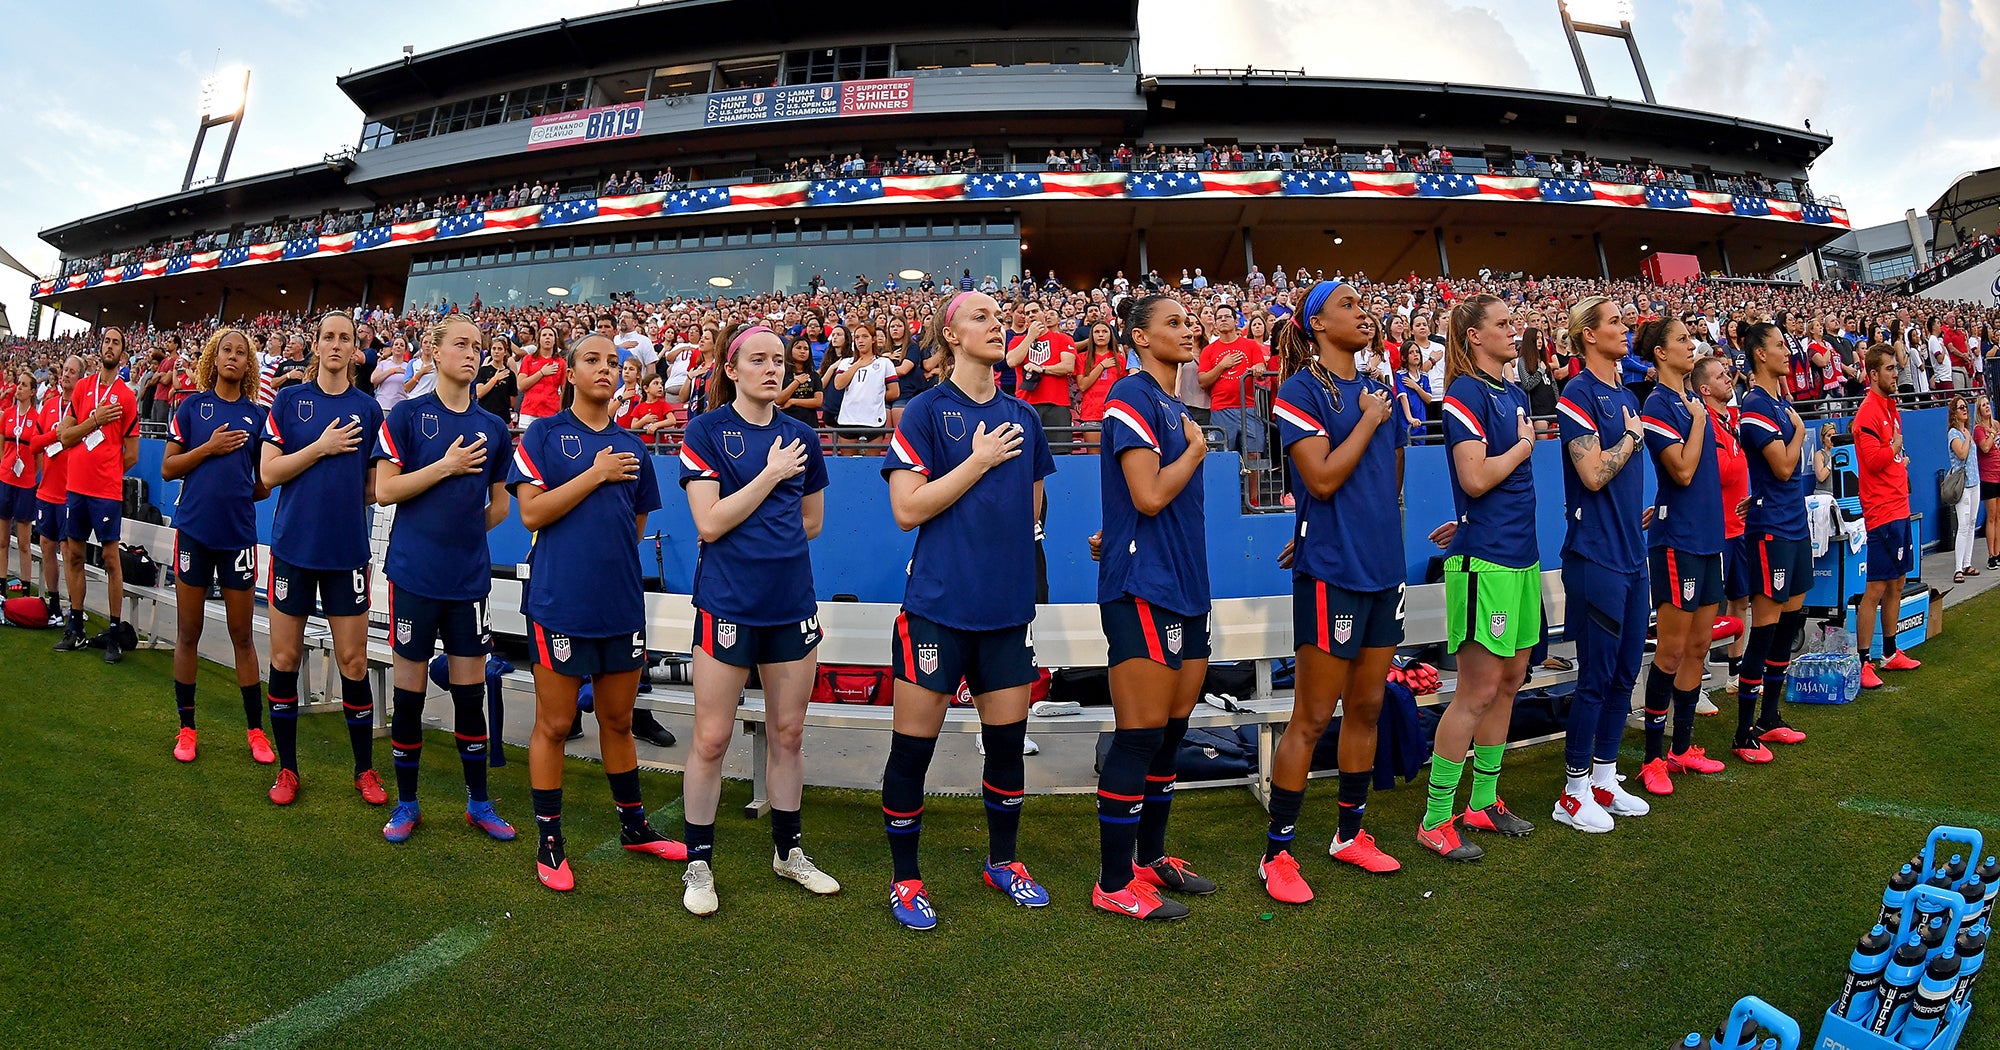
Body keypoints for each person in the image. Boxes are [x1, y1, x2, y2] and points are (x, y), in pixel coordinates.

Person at [879, 290, 1057, 931]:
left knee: (1006, 748)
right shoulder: (924, 411)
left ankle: (1003, 863)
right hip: (936, 609)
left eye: (998, 316)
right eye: (979, 316)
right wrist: (979, 463)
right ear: (949, 335)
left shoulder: (1025, 417)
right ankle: (906, 880)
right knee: (912, 752)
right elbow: (907, 509)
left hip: (1005, 612)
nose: (996, 323)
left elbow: (1034, 510)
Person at [509, 333, 685, 892]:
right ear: (569, 371)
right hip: (559, 603)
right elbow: (532, 514)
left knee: (616, 720)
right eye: (592, 360)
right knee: (556, 724)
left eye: (614, 362)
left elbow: (632, 530)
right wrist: (595, 473)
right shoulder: (544, 434)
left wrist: (609, 473)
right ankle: (550, 840)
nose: (605, 369)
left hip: (619, 605)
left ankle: (634, 827)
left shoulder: (632, 445)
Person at [677, 322, 840, 917]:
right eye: (760, 359)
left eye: (780, 359)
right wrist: (769, 476)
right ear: (732, 369)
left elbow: (813, 522)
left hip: (790, 603)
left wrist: (768, 541)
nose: (773, 368)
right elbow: (709, 523)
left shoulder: (802, 435)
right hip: (727, 604)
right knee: (713, 737)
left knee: (789, 733)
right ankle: (699, 863)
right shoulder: (707, 431)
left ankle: (788, 851)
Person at [1260, 280, 1408, 898]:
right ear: (1316, 324)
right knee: (1313, 715)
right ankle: (1278, 854)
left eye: (1363, 303)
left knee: (1368, 708)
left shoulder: (1383, 391)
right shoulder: (1300, 389)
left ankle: (1349, 835)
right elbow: (1319, 480)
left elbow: (1389, 478)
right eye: (1346, 305)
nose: (1363, 311)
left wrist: (1379, 416)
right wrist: (1370, 420)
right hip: (1332, 572)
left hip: (1382, 566)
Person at [1088, 293, 1215, 922]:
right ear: (1138, 338)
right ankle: (1113, 881)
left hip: (1187, 587)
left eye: (1188, 321)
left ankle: (1149, 858)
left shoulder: (1175, 406)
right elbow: (1148, 495)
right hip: (1144, 588)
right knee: (1138, 737)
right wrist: (1193, 453)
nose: (1187, 330)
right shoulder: (1131, 397)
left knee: (1170, 733)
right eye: (1172, 322)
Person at [372, 316, 517, 844]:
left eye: (478, 346)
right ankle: (406, 804)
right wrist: (447, 467)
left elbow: (501, 505)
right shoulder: (408, 415)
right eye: (460, 343)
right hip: (413, 574)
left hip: (468, 579)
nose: (472, 352)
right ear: (433, 353)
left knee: (469, 693)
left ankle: (479, 802)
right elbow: (386, 489)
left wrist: (461, 531)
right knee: (409, 695)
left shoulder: (494, 428)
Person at [1424, 293, 1539, 859]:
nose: (1513, 331)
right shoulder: (1465, 392)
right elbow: (1474, 478)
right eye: (1502, 324)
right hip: (1486, 561)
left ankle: (1484, 800)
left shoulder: (1512, 392)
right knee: (1477, 690)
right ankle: (1435, 817)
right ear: (1473, 336)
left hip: (1522, 557)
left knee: (1511, 681)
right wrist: (1521, 447)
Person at [258, 311, 385, 807]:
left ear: (355, 349)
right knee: (285, 658)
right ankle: (287, 770)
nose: (335, 344)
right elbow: (269, 472)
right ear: (315, 344)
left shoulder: (369, 409)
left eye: (344, 338)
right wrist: (321, 447)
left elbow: (377, 487)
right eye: (327, 336)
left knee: (353, 661)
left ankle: (364, 771)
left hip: (346, 552)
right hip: (294, 549)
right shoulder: (290, 400)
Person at [1548, 297, 1651, 832]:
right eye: (1614, 321)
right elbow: (1592, 473)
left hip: (1633, 555)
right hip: (1595, 556)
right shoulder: (1578, 394)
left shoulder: (1626, 393)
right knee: (1596, 674)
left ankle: (1605, 777)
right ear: (1587, 334)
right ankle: (1572, 789)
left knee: (1626, 670)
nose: (1624, 328)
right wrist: (1633, 438)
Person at [159, 329, 273, 766]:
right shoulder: (192, 407)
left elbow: (264, 482)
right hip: (194, 533)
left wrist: (243, 489)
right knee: (189, 632)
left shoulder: (257, 417)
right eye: (226, 349)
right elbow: (169, 467)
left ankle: (256, 731)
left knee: (242, 636)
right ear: (215, 356)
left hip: (239, 538)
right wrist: (208, 449)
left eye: (241, 352)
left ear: (248, 365)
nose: (233, 356)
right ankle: (187, 729)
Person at [1634, 318, 1729, 795]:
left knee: (1698, 647)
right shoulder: (1658, 404)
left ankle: (1682, 749)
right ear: (1659, 354)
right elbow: (1683, 471)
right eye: (1680, 340)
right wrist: (1697, 422)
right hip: (1679, 541)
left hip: (1709, 538)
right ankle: (1651, 759)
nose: (1690, 345)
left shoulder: (1690, 403)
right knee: (1671, 650)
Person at [1733, 322, 1812, 758]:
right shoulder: (1756, 405)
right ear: (1760, 354)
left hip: (1794, 522)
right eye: (1780, 345)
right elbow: (1782, 467)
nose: (1788, 352)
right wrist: (1799, 432)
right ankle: (1744, 731)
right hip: (1772, 529)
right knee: (1764, 629)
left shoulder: (1779, 403)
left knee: (1790, 623)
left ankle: (1770, 718)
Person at [54, 327, 140, 662]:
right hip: (76, 487)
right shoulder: (83, 388)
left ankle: (115, 633)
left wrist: (106, 474)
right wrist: (94, 421)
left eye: (116, 342)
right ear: (99, 347)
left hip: (105, 491)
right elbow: (65, 436)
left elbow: (131, 453)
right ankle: (75, 626)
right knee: (74, 555)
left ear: (122, 353)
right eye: (106, 340)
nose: (109, 346)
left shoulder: (128, 396)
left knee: (110, 559)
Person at [1852, 344, 1922, 689]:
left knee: (1897, 581)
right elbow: (1875, 460)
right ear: (1873, 374)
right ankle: (1864, 660)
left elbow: (1891, 455)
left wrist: (1899, 457)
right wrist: (1894, 450)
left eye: (1897, 368)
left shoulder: (1891, 407)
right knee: (1876, 587)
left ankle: (1891, 652)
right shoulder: (1867, 413)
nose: (1897, 374)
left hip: (1898, 505)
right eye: (1890, 369)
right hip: (1881, 511)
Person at [1698, 356, 1748, 715]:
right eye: (1719, 376)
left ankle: (1735, 673)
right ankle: (1695, 682)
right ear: (1705, 389)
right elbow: (1725, 473)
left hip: (1740, 527)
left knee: (1740, 601)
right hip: (1716, 530)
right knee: (1705, 612)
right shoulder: (1707, 424)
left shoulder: (1731, 421)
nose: (1728, 378)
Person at [32, 356, 80, 627]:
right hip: (46, 490)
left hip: (70, 492)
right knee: (47, 546)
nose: (66, 376)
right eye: (65, 371)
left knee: (71, 551)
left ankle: (74, 609)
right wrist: (56, 435)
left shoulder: (83, 409)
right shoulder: (49, 405)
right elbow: (34, 445)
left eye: (73, 372)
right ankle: (53, 604)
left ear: (80, 377)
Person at [1197, 307, 1272, 459]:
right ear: (1215, 324)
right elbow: (1203, 381)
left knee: (1254, 456)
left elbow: (1261, 369)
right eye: (1219, 318)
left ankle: (1252, 484)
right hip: (1220, 409)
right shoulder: (1208, 350)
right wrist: (1222, 365)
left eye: (1227, 316)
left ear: (1236, 321)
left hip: (1249, 407)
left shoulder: (1251, 345)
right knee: (1222, 456)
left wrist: (1259, 368)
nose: (1223, 320)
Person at [1005, 300, 1078, 447]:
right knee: (1027, 451)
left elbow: (1068, 366)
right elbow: (1012, 361)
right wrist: (1030, 336)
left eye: (1035, 311)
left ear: (1044, 313)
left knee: (1060, 452)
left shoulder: (1063, 338)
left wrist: (1042, 368)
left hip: (1057, 405)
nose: (1031, 315)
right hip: (1027, 404)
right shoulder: (1017, 340)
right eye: (1027, 313)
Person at [1, 371, 43, 595]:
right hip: (5, 479)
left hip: (26, 483)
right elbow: (2, 446)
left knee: (24, 542)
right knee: (2, 539)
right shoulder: (7, 414)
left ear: (32, 392)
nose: (18, 388)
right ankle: (1, 586)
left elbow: (39, 457)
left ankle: (26, 587)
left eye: (24, 385)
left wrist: (28, 473)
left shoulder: (37, 419)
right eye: (19, 383)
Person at [1075, 320, 1124, 451]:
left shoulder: (1120, 359)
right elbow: (1083, 385)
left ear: (1110, 335)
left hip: (1115, 413)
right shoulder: (1082, 358)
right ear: (1091, 336)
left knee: (1117, 455)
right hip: (1091, 414)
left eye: (1104, 331)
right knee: (1094, 456)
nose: (1101, 335)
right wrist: (1101, 366)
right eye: (1097, 332)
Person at [1947, 398, 1977, 583]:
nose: (1964, 410)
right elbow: (1962, 453)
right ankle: (1958, 568)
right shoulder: (1954, 433)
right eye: (1961, 407)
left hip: (1975, 481)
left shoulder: (1967, 430)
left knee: (1972, 522)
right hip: (1963, 484)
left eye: (1966, 406)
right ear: (1954, 412)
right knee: (1963, 524)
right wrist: (1966, 438)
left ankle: (1967, 562)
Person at [515, 324, 566, 426]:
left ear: (555, 340)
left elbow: (564, 391)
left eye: (551, 335)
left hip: (551, 412)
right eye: (544, 335)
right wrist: (541, 373)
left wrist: (560, 411)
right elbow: (521, 385)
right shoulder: (528, 359)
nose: (547, 337)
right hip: (529, 412)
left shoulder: (561, 363)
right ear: (539, 339)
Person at [1976, 396, 2000, 572]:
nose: (1987, 407)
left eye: (1987, 404)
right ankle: (1991, 555)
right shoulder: (1979, 430)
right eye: (1983, 405)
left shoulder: (1997, 424)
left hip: (1999, 473)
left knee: (1999, 517)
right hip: (1988, 476)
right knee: (1991, 517)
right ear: (1979, 410)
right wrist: (1992, 433)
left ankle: (1998, 552)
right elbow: (1985, 447)